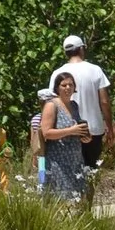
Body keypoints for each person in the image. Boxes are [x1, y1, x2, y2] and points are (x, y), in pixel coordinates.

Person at [52, 34, 111, 174]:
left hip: (67, 130)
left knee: (71, 172)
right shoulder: (95, 70)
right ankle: (89, 196)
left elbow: (52, 103)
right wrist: (109, 126)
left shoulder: (57, 73)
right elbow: (104, 101)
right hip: (93, 128)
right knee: (91, 171)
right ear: (81, 49)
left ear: (66, 52)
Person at [39, 71, 90, 200]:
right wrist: (71, 130)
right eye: (64, 85)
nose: (68, 88)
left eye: (70, 85)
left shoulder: (74, 105)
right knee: (61, 199)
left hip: (76, 159)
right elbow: (46, 132)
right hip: (58, 161)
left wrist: (84, 135)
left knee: (79, 197)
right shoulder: (52, 105)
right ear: (57, 88)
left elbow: (76, 129)